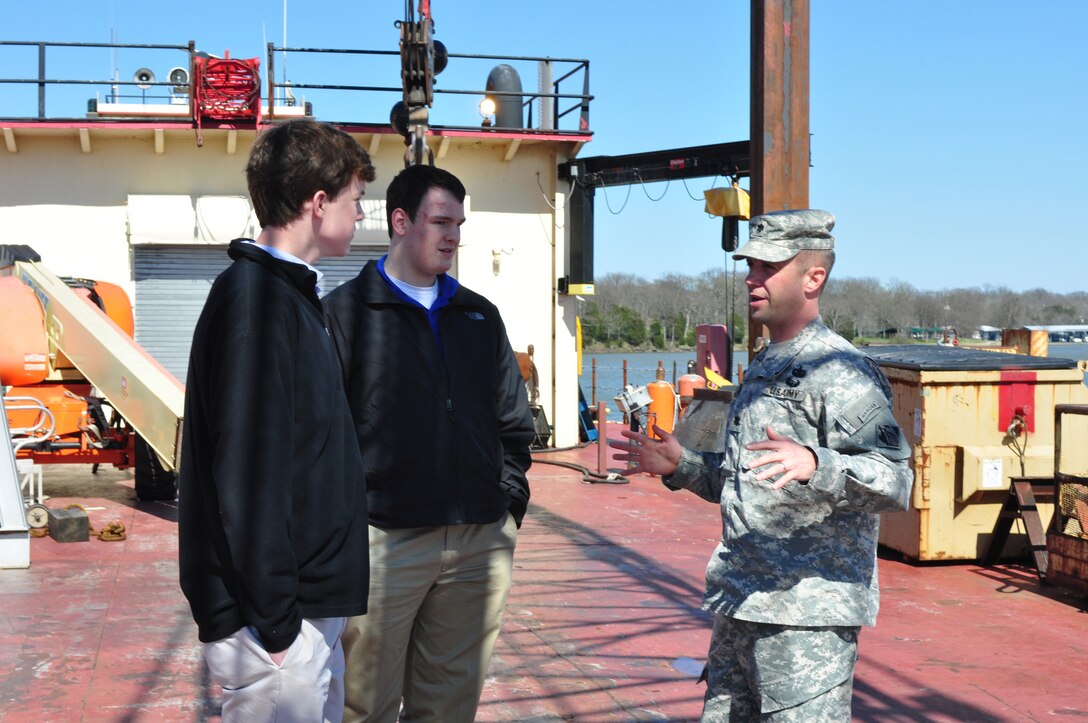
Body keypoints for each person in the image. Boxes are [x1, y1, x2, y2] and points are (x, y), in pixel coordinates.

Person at [610, 209, 913, 721]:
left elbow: (896, 480)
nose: (752, 277)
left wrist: (817, 462)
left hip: (805, 615)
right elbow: (748, 481)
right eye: (750, 266)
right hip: (742, 599)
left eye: (768, 267)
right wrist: (681, 464)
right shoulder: (768, 363)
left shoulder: (841, 370)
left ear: (813, 277)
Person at [179, 119, 376, 722]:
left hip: (301, 615)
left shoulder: (289, 297)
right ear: (319, 204)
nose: (362, 214)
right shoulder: (256, 302)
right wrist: (278, 626)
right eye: (356, 199)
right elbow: (248, 474)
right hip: (273, 632)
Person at [323, 163, 535, 723]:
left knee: (448, 707)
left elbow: (514, 423)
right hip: (384, 543)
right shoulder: (345, 315)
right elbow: (323, 440)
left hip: (477, 543)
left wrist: (506, 507)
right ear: (399, 221)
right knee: (362, 705)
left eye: (459, 224)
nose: (454, 237)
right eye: (441, 221)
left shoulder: (477, 315)